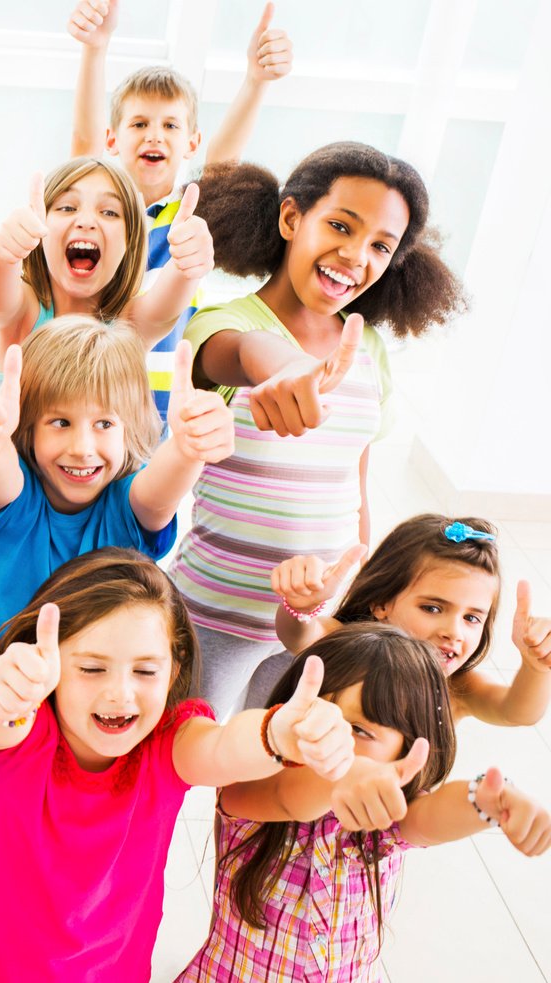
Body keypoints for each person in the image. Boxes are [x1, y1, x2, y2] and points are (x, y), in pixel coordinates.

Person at [0, 316, 233, 934]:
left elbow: (160, 492)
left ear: (130, 429)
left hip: (56, 774)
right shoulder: (12, 501)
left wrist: (188, 448)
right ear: (29, 426)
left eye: (103, 424)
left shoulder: (128, 510)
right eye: (60, 422)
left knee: (7, 905)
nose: (83, 448)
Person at [0, 548, 354, 981]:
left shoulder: (169, 743)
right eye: (91, 668)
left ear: (174, 666)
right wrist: (6, 694)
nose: (120, 694)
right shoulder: (27, 729)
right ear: (52, 664)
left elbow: (221, 749)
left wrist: (275, 735)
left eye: (144, 672)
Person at [174, 142, 468, 715]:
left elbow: (352, 480)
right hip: (215, 615)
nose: (356, 255)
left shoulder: (369, 349)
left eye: (380, 246)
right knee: (179, 758)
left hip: (315, 621)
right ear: (291, 217)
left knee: (262, 787)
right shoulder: (224, 323)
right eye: (340, 225)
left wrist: (357, 594)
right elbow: (242, 354)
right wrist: (285, 369)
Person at [181, 623, 551, 981]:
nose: (331, 736)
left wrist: (487, 802)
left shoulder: (385, 817)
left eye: (359, 730)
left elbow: (431, 816)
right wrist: (344, 774)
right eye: (315, 715)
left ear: (405, 750)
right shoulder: (252, 784)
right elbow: (287, 797)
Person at [68, 0, 293, 415]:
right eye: (139, 124)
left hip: (162, 398)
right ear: (113, 139)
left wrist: (256, 82)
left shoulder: (191, 212)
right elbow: (83, 144)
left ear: (191, 142)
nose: (155, 136)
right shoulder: (96, 209)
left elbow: (225, 161)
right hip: (90, 380)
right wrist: (94, 49)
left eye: (170, 125)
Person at [254, 514, 551, 724]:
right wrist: (302, 607)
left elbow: (516, 712)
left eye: (472, 618)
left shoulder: (457, 689)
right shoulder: (346, 645)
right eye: (433, 609)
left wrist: (536, 668)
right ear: (381, 602)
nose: (454, 632)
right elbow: (297, 635)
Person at [0, 156, 212, 371]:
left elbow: (165, 307)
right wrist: (5, 254)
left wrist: (187, 263)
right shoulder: (23, 315)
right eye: (68, 208)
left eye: (110, 212)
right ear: (42, 228)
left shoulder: (130, 325)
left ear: (129, 242)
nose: (86, 221)